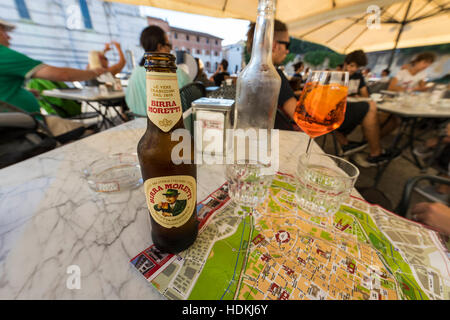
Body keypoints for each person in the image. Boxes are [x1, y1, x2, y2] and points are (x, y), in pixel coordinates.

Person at [0, 19, 106, 114]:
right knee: (90, 130)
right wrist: (94, 72)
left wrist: (24, 93)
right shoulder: (4, 54)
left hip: (15, 124)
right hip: (25, 126)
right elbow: (64, 75)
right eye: (4, 31)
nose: (9, 37)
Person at [335, 50, 393, 166]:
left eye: (357, 67)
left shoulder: (358, 76)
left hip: (353, 107)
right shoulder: (337, 75)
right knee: (371, 108)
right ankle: (374, 151)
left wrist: (358, 95)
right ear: (346, 63)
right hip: (338, 109)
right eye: (351, 65)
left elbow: (365, 95)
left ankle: (350, 146)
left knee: (383, 114)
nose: (353, 69)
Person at [125, 25, 191, 116]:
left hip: (139, 126)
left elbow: (129, 102)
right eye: (169, 45)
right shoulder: (176, 74)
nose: (171, 49)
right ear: (160, 47)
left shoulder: (135, 73)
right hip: (171, 127)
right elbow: (190, 101)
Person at [246, 20, 298, 131]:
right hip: (278, 138)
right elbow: (297, 115)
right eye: (286, 44)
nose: (287, 51)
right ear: (274, 45)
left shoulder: (245, 74)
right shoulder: (274, 76)